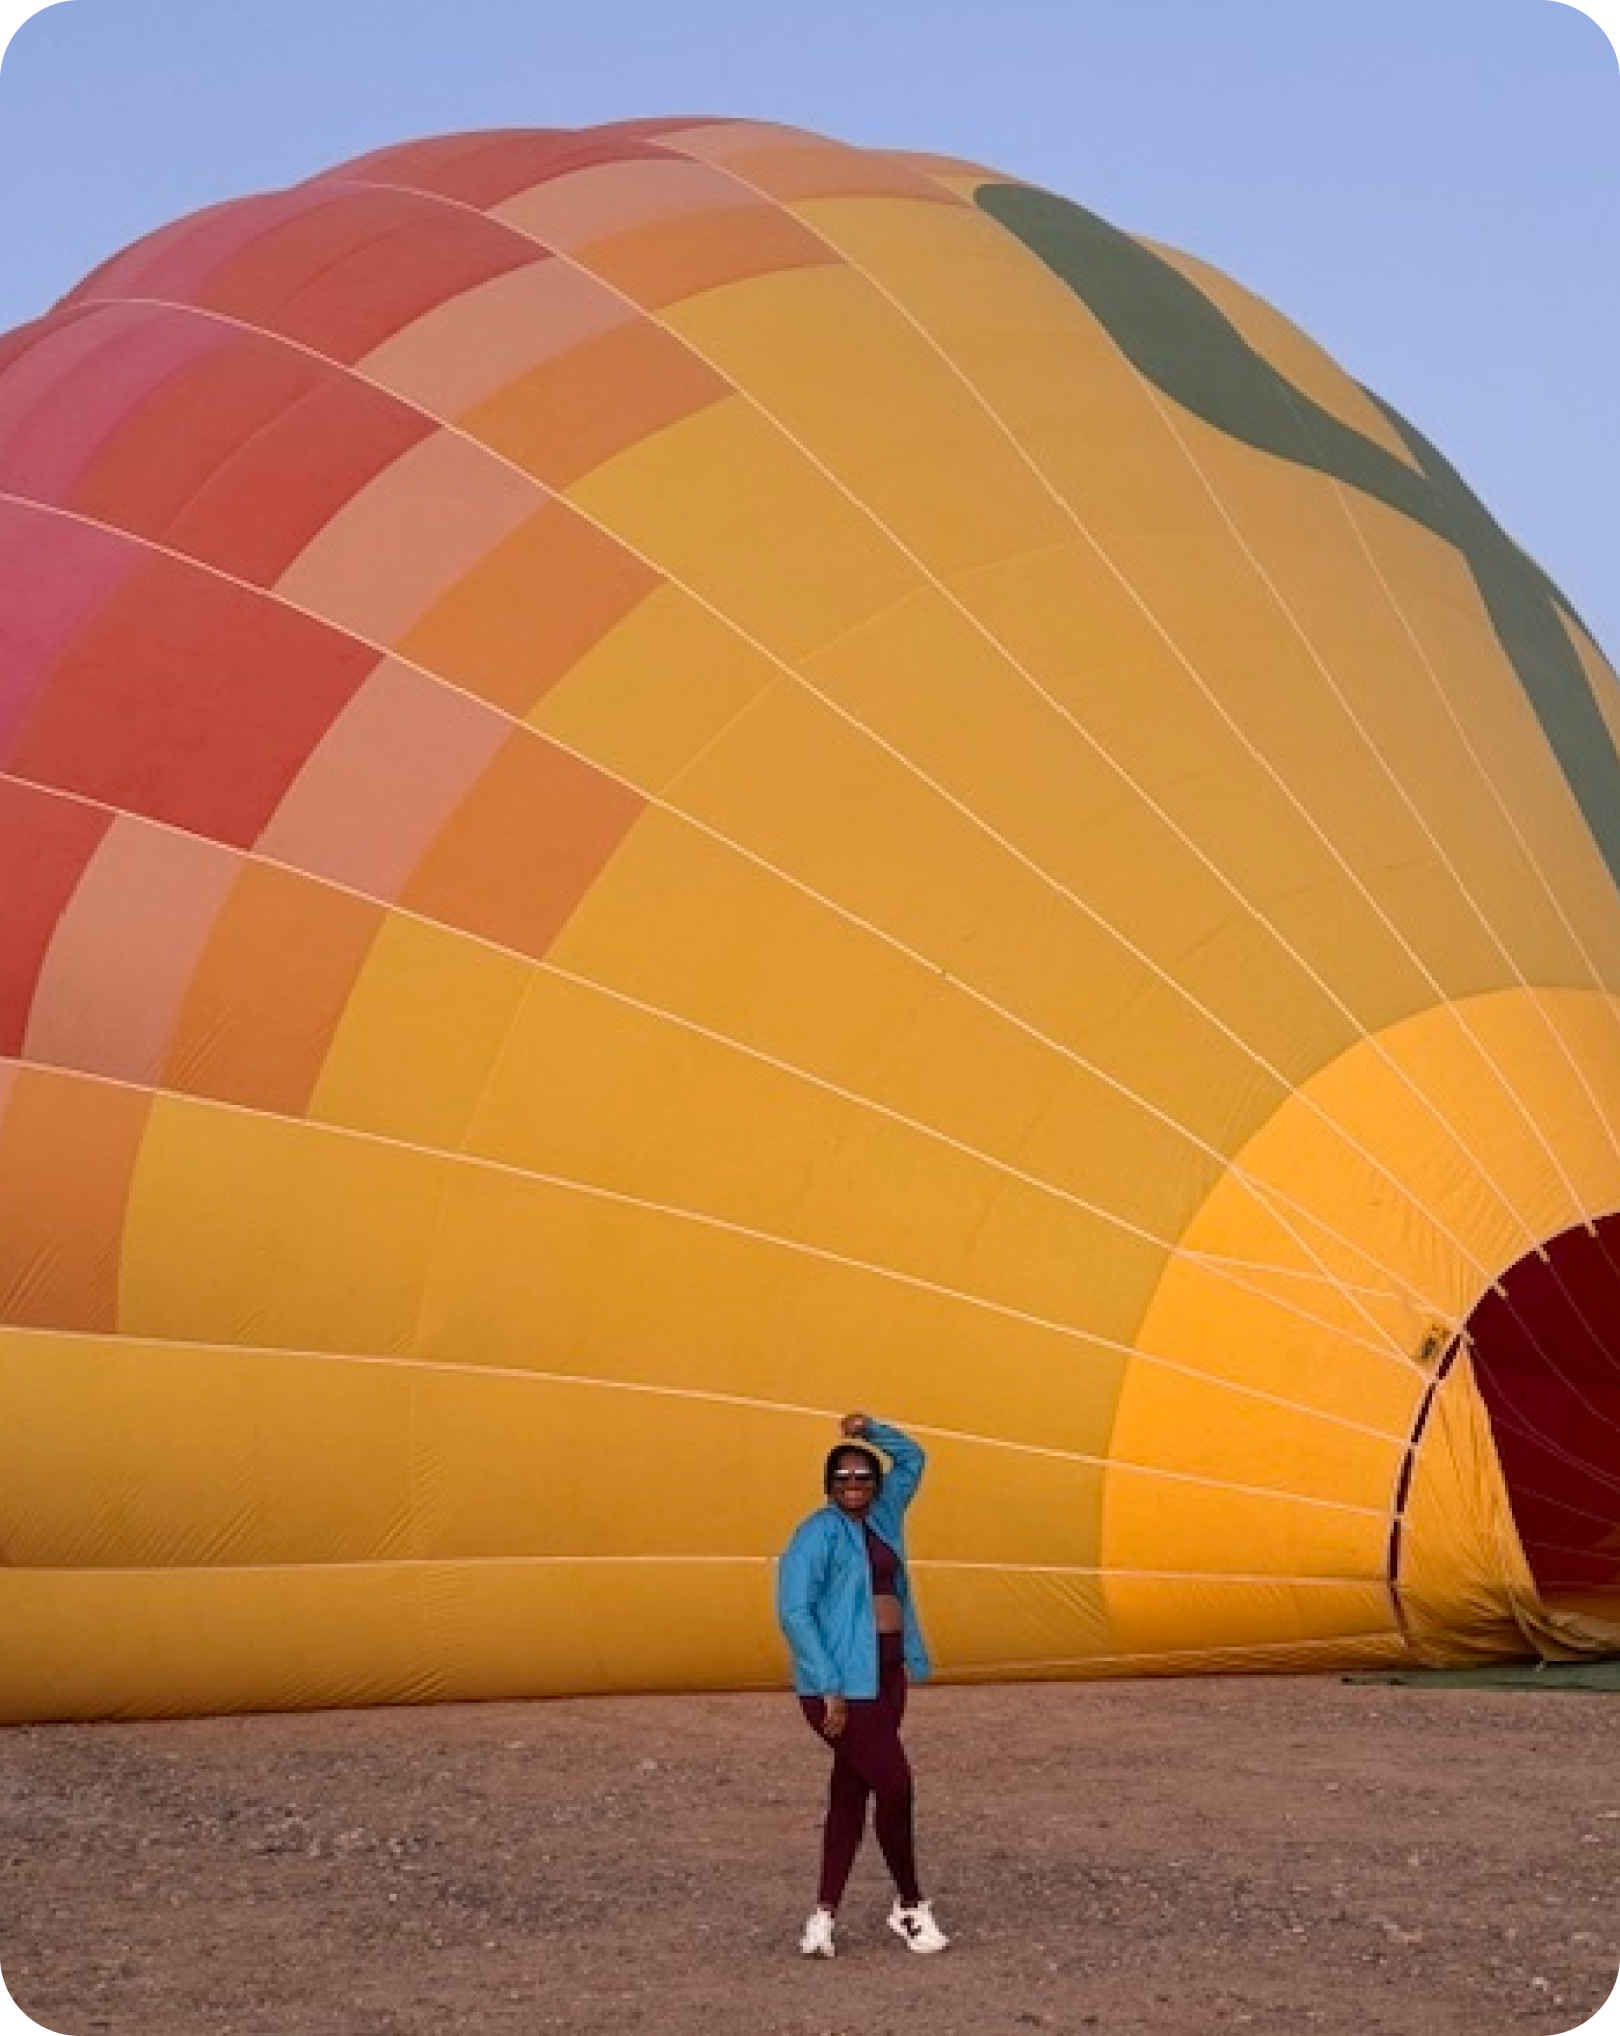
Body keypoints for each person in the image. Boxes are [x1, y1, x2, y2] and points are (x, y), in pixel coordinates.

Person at [776, 1411, 950, 1958]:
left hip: (886, 1677)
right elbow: (794, 1611)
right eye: (843, 1476)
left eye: (863, 1476)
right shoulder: (816, 1534)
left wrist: (871, 1431)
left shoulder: (884, 1517)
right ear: (828, 1484)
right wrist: (828, 1684)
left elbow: (914, 1459)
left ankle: (823, 1917)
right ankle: (910, 1905)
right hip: (841, 1689)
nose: (854, 1483)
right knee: (894, 1787)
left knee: (850, 1792)